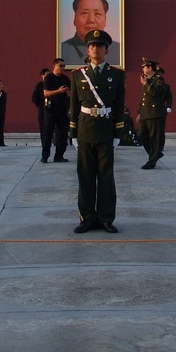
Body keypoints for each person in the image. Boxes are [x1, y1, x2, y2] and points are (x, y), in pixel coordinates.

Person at [69, 29, 126, 233]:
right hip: (85, 130)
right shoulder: (78, 75)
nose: (96, 49)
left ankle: (105, 218)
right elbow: (74, 106)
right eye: (92, 45)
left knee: (106, 177)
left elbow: (119, 106)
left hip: (106, 131)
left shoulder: (116, 75)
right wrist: (73, 133)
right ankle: (87, 218)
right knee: (85, 176)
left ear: (106, 50)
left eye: (100, 46)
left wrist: (118, 134)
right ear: (88, 49)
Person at [61, 0, 121, 65]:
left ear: (105, 20)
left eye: (97, 14)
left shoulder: (117, 50)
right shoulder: (64, 49)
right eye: (85, 13)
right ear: (74, 19)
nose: (91, 20)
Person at [137, 58, 172, 169]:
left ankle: (152, 161)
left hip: (154, 113)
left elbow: (155, 93)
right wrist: (139, 113)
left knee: (154, 138)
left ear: (150, 68)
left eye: (145, 66)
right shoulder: (147, 80)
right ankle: (155, 154)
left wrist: (146, 83)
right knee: (141, 135)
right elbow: (143, 99)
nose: (143, 69)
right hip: (145, 113)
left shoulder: (158, 79)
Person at [41, 58, 71, 163]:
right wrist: (58, 91)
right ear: (54, 66)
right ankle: (45, 156)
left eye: (64, 66)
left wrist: (68, 93)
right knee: (48, 133)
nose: (62, 68)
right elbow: (46, 93)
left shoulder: (65, 79)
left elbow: (70, 93)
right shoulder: (48, 78)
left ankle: (59, 156)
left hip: (62, 110)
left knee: (63, 134)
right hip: (50, 110)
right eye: (60, 66)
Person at [31, 68, 50, 143]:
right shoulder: (39, 85)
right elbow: (34, 98)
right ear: (42, 76)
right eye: (47, 74)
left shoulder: (52, 84)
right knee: (43, 127)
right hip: (42, 109)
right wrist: (40, 105)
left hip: (51, 109)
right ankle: (44, 143)